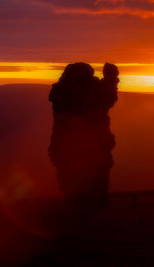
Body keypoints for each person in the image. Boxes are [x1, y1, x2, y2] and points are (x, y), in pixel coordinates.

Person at [49, 62, 119, 213]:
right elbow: (107, 99)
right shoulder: (91, 92)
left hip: (65, 145)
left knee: (71, 180)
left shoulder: (60, 91)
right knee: (95, 181)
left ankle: (75, 210)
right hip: (94, 146)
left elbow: (106, 99)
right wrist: (111, 78)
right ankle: (91, 214)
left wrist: (110, 79)